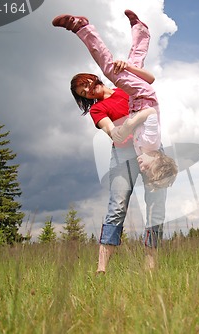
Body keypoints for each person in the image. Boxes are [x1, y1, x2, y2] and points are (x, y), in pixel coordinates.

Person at [52, 10, 177, 272]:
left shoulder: (123, 87)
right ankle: (101, 268)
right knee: (117, 206)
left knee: (156, 206)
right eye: (81, 92)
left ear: (91, 77)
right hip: (122, 156)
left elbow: (150, 79)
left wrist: (129, 67)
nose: (86, 90)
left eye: (84, 84)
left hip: (150, 150)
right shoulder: (98, 109)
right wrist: (134, 121)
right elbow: (115, 134)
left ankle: (150, 265)